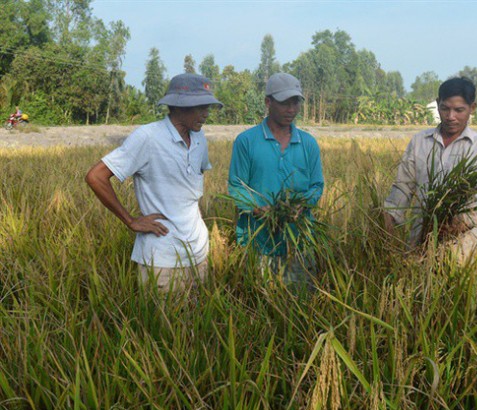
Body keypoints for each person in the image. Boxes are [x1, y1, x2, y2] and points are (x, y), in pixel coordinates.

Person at [85, 73, 223, 292]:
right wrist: (130, 221)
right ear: (179, 106)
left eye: (208, 107)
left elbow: (192, 185)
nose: (206, 114)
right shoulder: (148, 137)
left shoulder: (199, 138)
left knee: (195, 323)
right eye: (200, 107)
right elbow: (96, 177)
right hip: (162, 259)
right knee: (164, 324)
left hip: (199, 253)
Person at [383, 77, 477, 262]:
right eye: (445, 108)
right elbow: (403, 187)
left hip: (459, 248)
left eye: (459, 110)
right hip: (418, 242)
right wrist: (389, 218)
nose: (451, 116)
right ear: (437, 104)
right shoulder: (420, 142)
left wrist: (453, 226)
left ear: (472, 108)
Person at [228, 72, 324, 289]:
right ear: (268, 102)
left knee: (300, 303)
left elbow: (317, 185)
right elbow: (235, 186)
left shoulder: (308, 143)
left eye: (295, 102)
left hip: (299, 241)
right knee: (259, 305)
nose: (291, 109)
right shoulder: (246, 142)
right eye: (284, 103)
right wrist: (257, 207)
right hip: (259, 243)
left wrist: (302, 204)